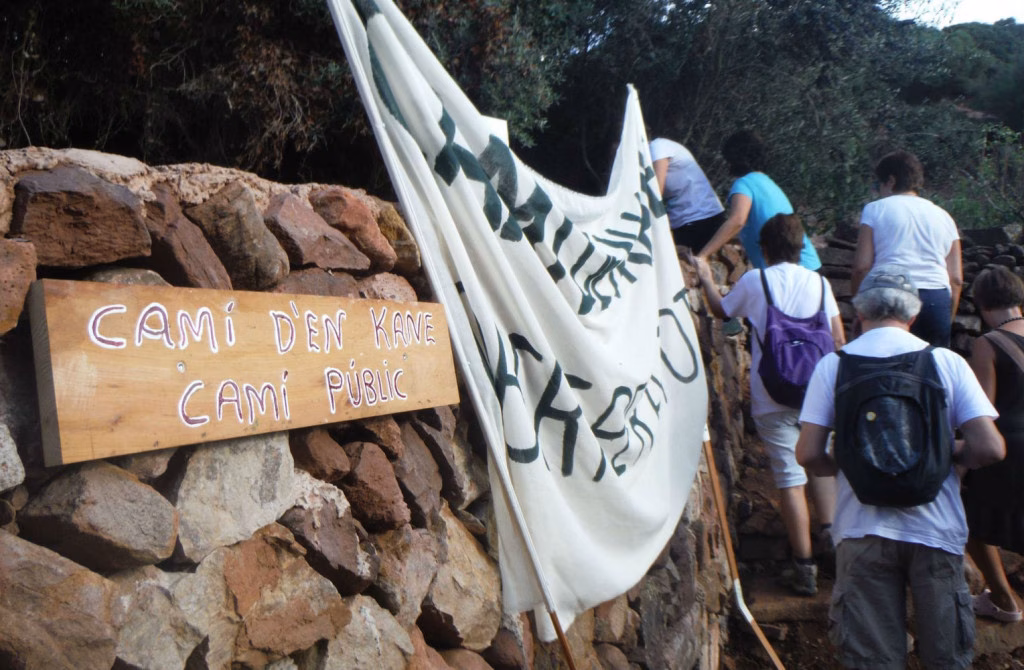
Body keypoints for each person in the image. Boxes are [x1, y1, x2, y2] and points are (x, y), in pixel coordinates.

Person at [796, 263, 1005, 669]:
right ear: (913, 315)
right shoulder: (946, 362)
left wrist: (851, 465)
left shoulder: (833, 366)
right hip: (935, 528)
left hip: (860, 528)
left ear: (860, 314)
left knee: (873, 659)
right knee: (946, 656)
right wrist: (945, 454)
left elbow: (806, 455)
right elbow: (991, 448)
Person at [693, 213, 844, 595]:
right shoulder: (822, 284)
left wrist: (708, 280)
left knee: (790, 479)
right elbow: (839, 340)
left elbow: (721, 311)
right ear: (801, 248)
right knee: (819, 464)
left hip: (771, 394)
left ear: (763, 249)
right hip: (818, 393)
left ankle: (804, 567)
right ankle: (831, 543)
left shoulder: (756, 280)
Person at [851, 150, 963, 348]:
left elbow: (862, 266)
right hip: (935, 299)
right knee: (931, 369)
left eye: (878, 185)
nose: (877, 191)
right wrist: (947, 317)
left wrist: (858, 307)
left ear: (891, 181)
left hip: (888, 295)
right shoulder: (944, 217)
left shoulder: (875, 209)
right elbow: (956, 279)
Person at [962, 266, 1024, 623]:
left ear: (981, 304)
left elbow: (981, 410)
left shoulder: (989, 343)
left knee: (973, 522)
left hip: (1010, 448)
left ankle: (1004, 599)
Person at [696, 130, 820, 271]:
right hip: (808, 267)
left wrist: (703, 255)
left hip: (793, 272)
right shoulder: (767, 183)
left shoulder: (743, 184)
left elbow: (737, 220)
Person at [649, 137, 726, 252]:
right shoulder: (660, 148)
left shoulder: (657, 147)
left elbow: (656, 192)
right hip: (691, 219)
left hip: (700, 219)